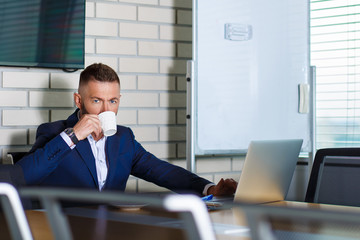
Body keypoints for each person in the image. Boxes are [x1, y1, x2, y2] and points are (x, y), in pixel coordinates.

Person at [16, 63, 237, 197]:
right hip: (64, 228)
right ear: (78, 100)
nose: (106, 109)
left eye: (112, 101)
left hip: (112, 229)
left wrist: (208, 189)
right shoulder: (55, 132)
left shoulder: (123, 138)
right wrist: (73, 136)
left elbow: (163, 172)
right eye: (96, 100)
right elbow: (23, 176)